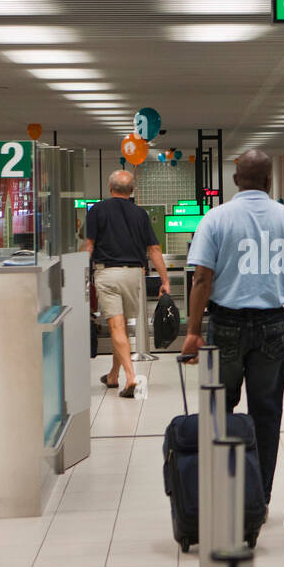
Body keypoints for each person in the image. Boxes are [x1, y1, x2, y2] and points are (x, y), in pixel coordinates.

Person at [181, 150, 284, 505]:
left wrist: (193, 332)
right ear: (269, 181)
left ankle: (219, 494)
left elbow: (202, 279)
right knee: (267, 415)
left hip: (224, 323)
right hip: (272, 324)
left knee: (217, 410)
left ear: (236, 179)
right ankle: (259, 498)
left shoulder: (216, 218)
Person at [85, 170, 170, 398]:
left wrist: (80, 275)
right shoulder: (140, 214)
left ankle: (130, 378)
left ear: (110, 188)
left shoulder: (97, 210)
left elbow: (89, 246)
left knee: (116, 327)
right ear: (133, 191)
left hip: (107, 274)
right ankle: (113, 375)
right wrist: (164, 280)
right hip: (134, 275)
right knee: (120, 327)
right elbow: (154, 249)